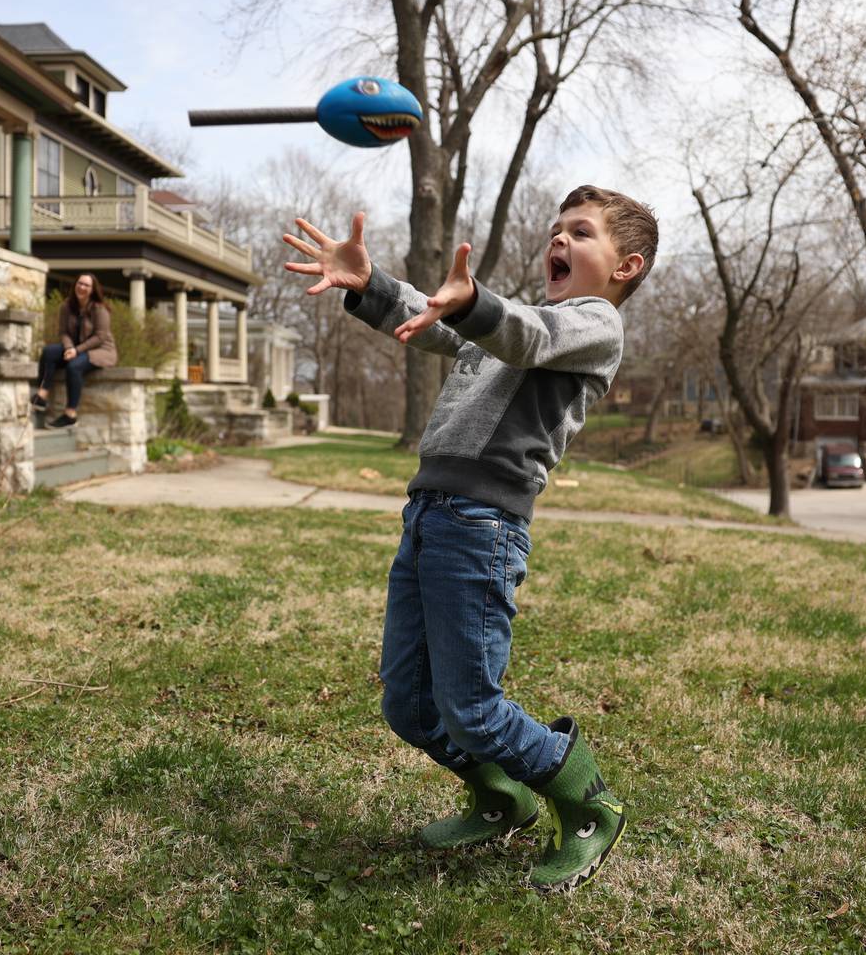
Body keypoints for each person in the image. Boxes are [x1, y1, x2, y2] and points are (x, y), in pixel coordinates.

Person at [282, 185, 658, 892]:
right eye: (556, 229)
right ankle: (502, 799)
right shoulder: (516, 326)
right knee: (409, 703)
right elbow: (446, 329)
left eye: (580, 232)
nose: (559, 240)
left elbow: (527, 334)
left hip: (483, 529)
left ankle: (589, 806)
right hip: (429, 514)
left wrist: (482, 304)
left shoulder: (594, 325)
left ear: (626, 266)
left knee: (474, 710)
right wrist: (372, 286)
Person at [31, 273, 117, 427]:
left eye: (86, 285)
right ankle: (42, 396)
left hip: (100, 350)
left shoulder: (99, 308)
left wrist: (77, 350)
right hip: (75, 348)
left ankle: (70, 414)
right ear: (75, 285)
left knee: (74, 366)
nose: (82, 287)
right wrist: (69, 347)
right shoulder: (66, 306)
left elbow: (100, 336)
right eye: (80, 283)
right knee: (49, 351)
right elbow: (63, 332)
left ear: (92, 289)